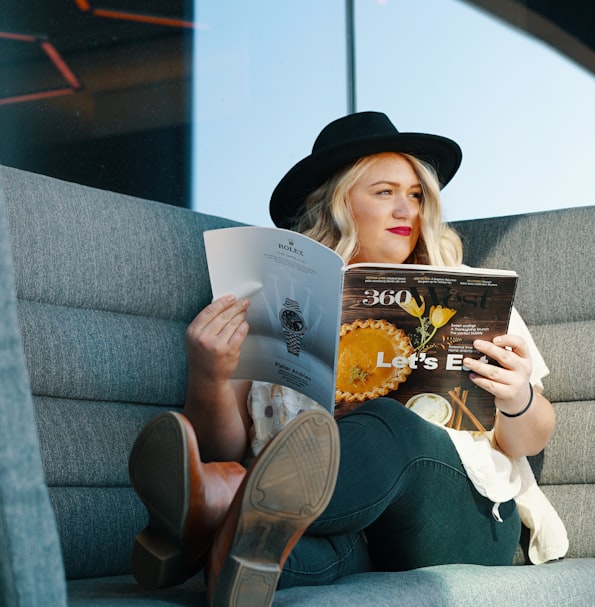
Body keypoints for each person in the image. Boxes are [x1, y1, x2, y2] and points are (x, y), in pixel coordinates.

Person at [127, 112, 563, 607]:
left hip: (459, 520)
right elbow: (223, 444)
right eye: (385, 192)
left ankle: (218, 504)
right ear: (337, 202)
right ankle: (218, 545)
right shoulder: (274, 299)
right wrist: (209, 374)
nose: (408, 209)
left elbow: (532, 435)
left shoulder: (464, 290)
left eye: (416, 194)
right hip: (351, 532)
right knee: (271, 559)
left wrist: (518, 396)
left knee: (387, 421)